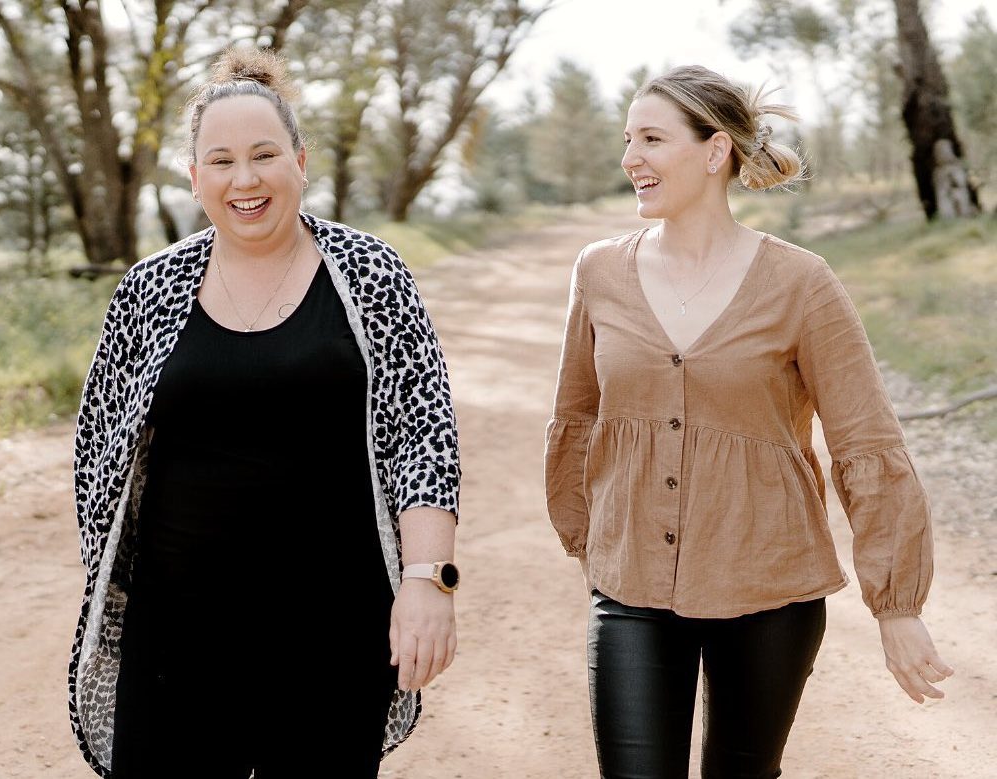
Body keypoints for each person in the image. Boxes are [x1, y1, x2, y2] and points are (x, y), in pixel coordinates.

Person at [544, 65, 952, 779]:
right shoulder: (599, 272)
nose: (629, 158)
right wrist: (589, 539)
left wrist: (897, 605)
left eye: (649, 138)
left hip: (771, 589)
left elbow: (866, 440)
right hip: (631, 585)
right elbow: (576, 418)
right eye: (626, 139)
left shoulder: (802, 282)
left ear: (714, 151)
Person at [67, 47, 461, 778]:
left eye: (263, 155)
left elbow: (424, 440)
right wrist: (115, 593)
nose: (244, 179)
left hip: (333, 636)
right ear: (194, 177)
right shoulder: (148, 290)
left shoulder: (371, 275)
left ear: (300, 161)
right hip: (176, 640)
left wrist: (426, 581)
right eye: (220, 161)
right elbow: (99, 454)